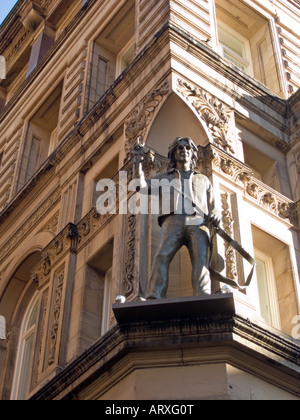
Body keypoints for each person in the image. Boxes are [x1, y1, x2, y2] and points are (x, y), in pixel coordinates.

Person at [135, 137, 221, 300]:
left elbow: (214, 204)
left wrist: (216, 213)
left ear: (193, 154)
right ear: (173, 153)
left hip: (198, 222)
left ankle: (202, 295)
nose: (184, 151)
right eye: (180, 148)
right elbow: (142, 187)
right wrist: (138, 161)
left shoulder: (203, 179)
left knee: (200, 261)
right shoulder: (164, 178)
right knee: (162, 255)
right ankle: (155, 294)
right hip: (173, 221)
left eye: (188, 148)